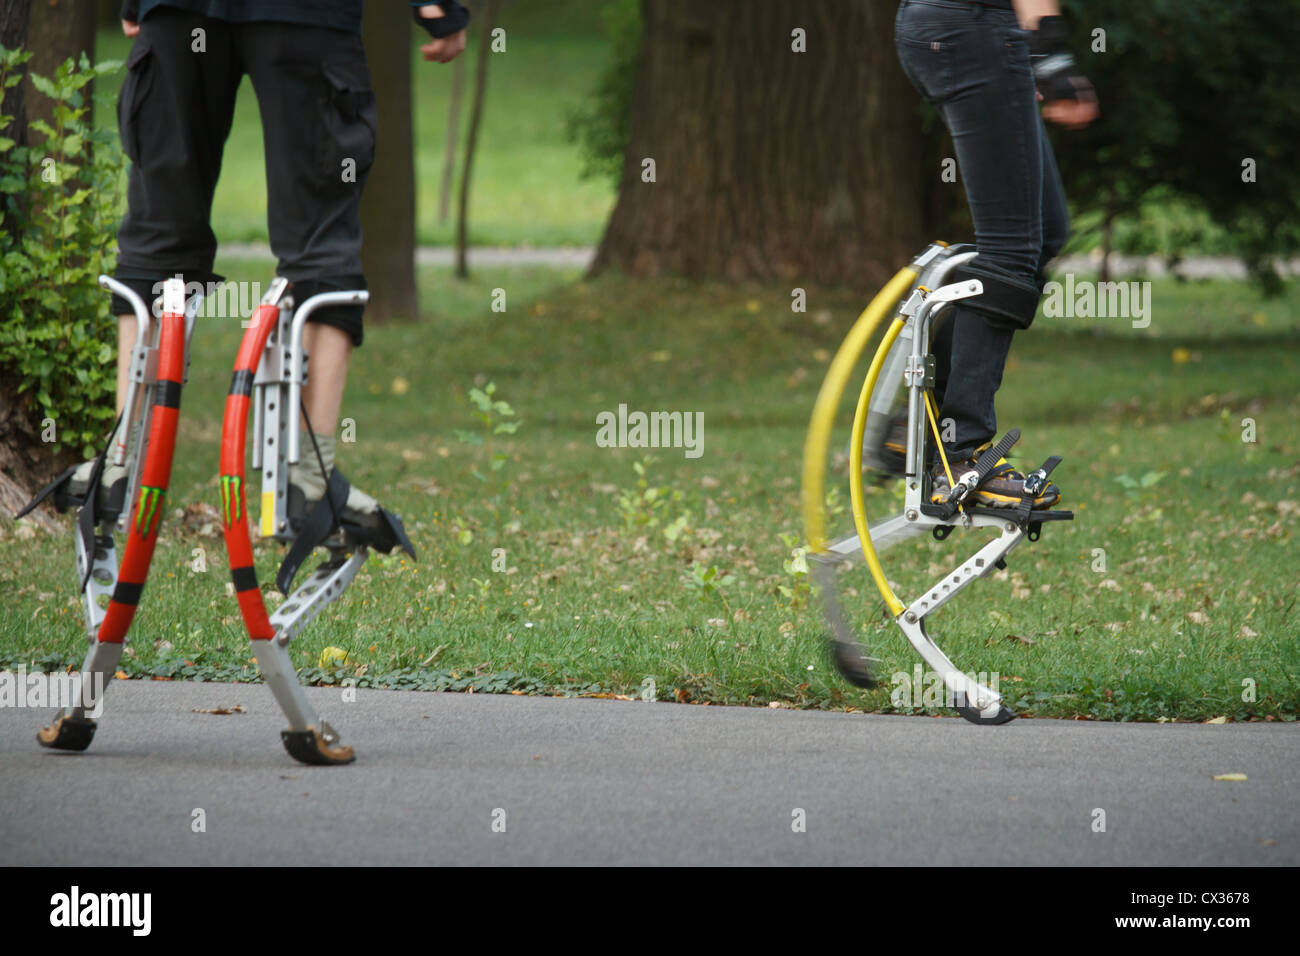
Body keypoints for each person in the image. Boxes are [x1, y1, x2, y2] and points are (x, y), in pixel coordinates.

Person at [53, 0, 469, 542]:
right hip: (302, 17)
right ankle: (308, 483)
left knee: (158, 233)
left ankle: (122, 467)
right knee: (321, 240)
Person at [892, 0, 1098, 508]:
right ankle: (963, 454)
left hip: (966, 28)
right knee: (1011, 249)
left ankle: (915, 428)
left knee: (1045, 231)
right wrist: (1049, 50)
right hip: (972, 26)